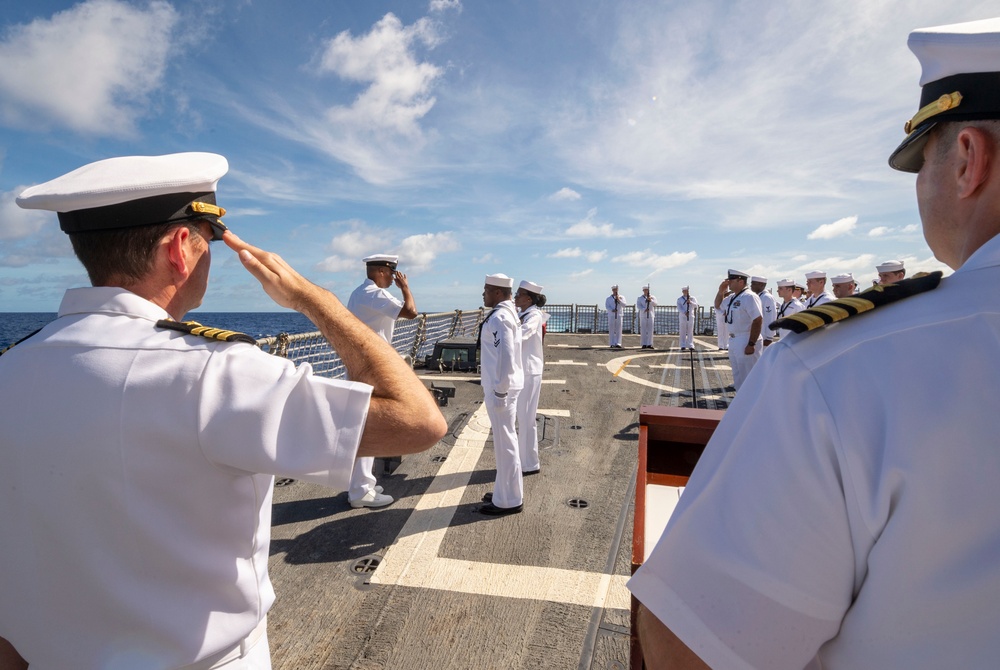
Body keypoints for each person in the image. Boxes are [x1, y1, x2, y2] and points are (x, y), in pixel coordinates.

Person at [629, 17, 1000, 668]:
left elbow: (689, 642)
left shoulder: (840, 369)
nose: (919, 184)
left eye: (923, 159)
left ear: (968, 157)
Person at [0, 153, 447, 669]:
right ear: (180, 250)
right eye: (209, 242)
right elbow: (418, 421)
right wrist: (314, 298)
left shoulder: (12, 369)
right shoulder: (216, 371)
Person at [345, 253, 419, 509]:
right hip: (372, 366)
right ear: (380, 271)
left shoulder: (358, 293)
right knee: (370, 425)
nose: (393, 278)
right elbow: (411, 312)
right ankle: (360, 491)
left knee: (362, 423)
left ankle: (361, 482)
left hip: (360, 363)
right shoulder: (375, 293)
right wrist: (406, 288)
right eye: (391, 273)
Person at [478, 273, 525, 515]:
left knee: (506, 444)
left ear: (497, 292)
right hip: (503, 388)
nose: (483, 293)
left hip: (502, 390)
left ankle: (509, 500)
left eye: (486, 289)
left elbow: (506, 359)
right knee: (505, 442)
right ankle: (504, 490)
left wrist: (500, 392)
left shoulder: (501, 319)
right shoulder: (507, 314)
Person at [514, 280, 548, 476]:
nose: (515, 297)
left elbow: (522, 334)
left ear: (528, 298)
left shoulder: (533, 315)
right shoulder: (524, 313)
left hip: (529, 371)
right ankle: (524, 459)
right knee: (523, 417)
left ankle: (529, 463)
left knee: (526, 418)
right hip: (523, 370)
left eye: (519, 294)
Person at [714, 270, 762, 391]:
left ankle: (752, 404)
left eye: (731, 280)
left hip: (746, 338)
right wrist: (720, 292)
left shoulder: (749, 297)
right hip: (734, 339)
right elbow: (718, 305)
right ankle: (741, 403)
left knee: (749, 376)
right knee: (738, 375)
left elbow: (757, 320)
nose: (728, 283)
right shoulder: (732, 297)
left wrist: (751, 343)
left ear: (740, 281)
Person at [772, 278, 804, 343]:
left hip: (794, 342)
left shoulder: (797, 306)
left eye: (780, 289)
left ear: (789, 290)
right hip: (783, 340)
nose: (777, 291)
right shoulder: (783, 305)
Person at [750, 276, 777, 346]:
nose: (751, 286)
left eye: (753, 284)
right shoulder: (758, 296)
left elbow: (771, 317)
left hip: (764, 336)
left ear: (761, 285)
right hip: (757, 335)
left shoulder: (767, 297)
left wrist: (769, 337)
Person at [637, 284, 658, 349]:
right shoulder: (640, 298)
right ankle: (644, 343)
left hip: (650, 315)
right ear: (643, 290)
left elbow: (655, 304)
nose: (646, 291)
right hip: (643, 315)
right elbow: (638, 306)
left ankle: (649, 343)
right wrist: (644, 309)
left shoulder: (652, 297)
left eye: (647, 290)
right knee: (643, 329)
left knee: (650, 330)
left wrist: (650, 300)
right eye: (645, 290)